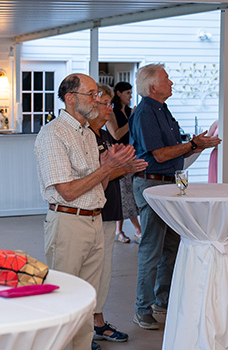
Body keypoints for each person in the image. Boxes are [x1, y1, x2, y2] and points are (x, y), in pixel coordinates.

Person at [35, 73, 137, 350]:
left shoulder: (87, 134)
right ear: (70, 98)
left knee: (86, 298)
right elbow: (67, 191)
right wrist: (107, 168)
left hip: (93, 219)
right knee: (64, 297)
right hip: (68, 221)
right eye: (90, 94)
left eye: (97, 94)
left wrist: (109, 167)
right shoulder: (53, 134)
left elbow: (99, 186)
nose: (97, 99)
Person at [128, 63, 221, 330]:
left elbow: (175, 150)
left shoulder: (162, 109)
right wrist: (193, 144)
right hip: (152, 184)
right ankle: (142, 308)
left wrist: (196, 145)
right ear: (153, 86)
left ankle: (162, 300)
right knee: (152, 247)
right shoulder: (146, 112)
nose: (172, 83)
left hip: (168, 184)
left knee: (171, 245)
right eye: (167, 79)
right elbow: (159, 154)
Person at [90, 85, 148, 345]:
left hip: (108, 209)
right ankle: (79, 330)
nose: (109, 108)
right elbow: (91, 179)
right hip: (89, 213)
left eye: (110, 103)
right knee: (86, 273)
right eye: (104, 103)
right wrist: (119, 168)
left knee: (103, 271)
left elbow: (111, 170)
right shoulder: (84, 138)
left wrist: (126, 167)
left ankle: (98, 323)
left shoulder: (103, 135)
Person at [106, 82, 142, 244]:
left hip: (131, 154)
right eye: (127, 93)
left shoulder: (129, 111)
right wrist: (132, 119)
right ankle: (138, 229)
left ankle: (119, 230)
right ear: (118, 93)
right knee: (126, 194)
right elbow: (117, 134)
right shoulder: (111, 111)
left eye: (131, 93)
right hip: (118, 156)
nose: (130, 96)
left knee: (125, 194)